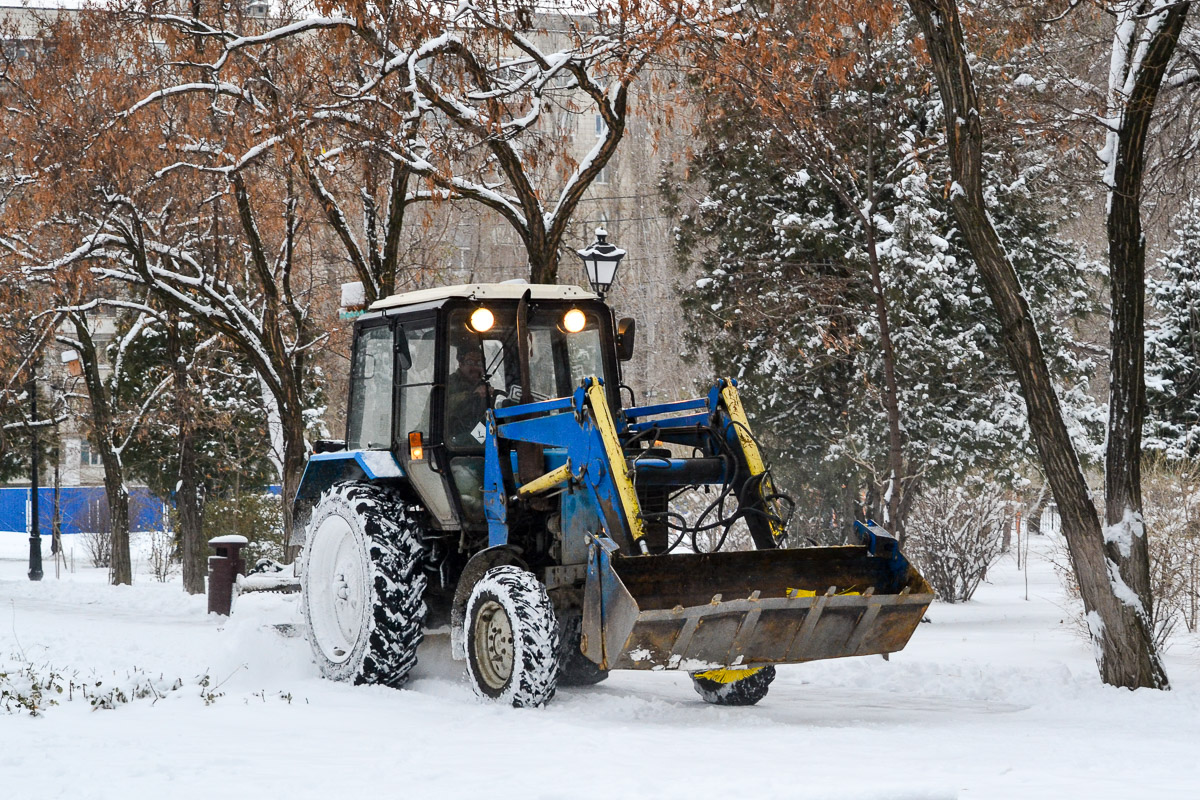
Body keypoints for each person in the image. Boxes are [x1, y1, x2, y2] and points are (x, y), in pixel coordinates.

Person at [446, 347, 490, 447]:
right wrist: (472, 395)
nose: (475, 367)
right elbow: (444, 406)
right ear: (461, 364)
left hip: (475, 438)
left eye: (479, 363)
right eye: (470, 362)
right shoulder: (449, 383)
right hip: (453, 438)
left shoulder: (484, 385)